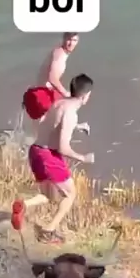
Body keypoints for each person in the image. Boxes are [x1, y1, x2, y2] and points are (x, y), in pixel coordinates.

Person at [12, 74, 95, 245]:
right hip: (48, 156)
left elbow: (51, 124)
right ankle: (48, 232)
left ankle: (23, 205)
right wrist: (83, 158)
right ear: (86, 95)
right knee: (70, 194)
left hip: (35, 151)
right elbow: (63, 148)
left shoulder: (59, 103)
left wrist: (77, 127)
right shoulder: (71, 114)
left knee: (47, 195)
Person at [22, 33, 79, 124]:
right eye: (69, 40)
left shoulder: (58, 51)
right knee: (71, 103)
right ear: (64, 39)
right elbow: (52, 78)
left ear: (78, 42)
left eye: (74, 40)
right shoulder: (60, 55)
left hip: (39, 92)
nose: (71, 43)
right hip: (42, 96)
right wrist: (66, 93)